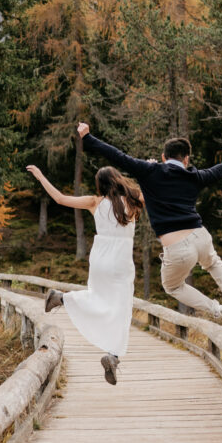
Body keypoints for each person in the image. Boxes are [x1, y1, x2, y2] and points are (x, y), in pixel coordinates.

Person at [76, 123, 222, 326]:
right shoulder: (195, 176)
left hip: (177, 246)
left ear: (163, 156)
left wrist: (88, 137)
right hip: (200, 235)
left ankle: (218, 311)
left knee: (172, 286)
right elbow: (218, 171)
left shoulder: (149, 171)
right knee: (213, 262)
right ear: (186, 159)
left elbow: (118, 156)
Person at [26, 162, 142, 385]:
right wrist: (150, 168)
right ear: (118, 179)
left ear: (100, 185)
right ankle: (113, 356)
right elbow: (157, 193)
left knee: (96, 297)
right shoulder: (134, 199)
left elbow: (59, 198)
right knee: (122, 309)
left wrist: (41, 176)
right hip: (121, 261)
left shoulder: (95, 202)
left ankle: (61, 298)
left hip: (100, 258)